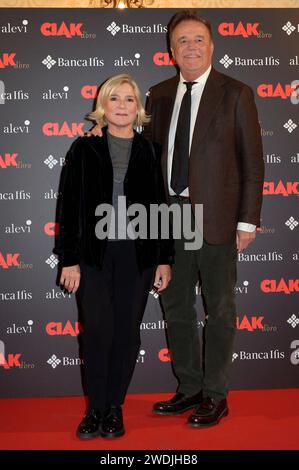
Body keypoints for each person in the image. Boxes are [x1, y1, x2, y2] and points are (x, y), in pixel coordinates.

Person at [90, 10, 264, 428]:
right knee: (176, 306)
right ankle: (190, 388)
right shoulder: (159, 93)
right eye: (182, 41)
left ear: (211, 45)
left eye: (198, 39)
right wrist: (101, 134)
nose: (190, 47)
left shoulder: (236, 92)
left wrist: (247, 220)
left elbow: (252, 161)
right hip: (170, 215)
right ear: (171, 50)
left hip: (219, 216)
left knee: (220, 308)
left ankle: (216, 394)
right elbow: (143, 155)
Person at [54, 74, 172, 439]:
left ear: (139, 109)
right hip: (93, 255)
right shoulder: (83, 149)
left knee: (126, 334)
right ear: (103, 106)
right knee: (97, 333)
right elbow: (69, 206)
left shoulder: (150, 151)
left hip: (136, 257)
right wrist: (69, 258)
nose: (122, 106)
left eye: (129, 100)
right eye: (115, 99)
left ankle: (115, 407)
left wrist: (164, 258)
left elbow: (160, 208)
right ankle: (95, 410)